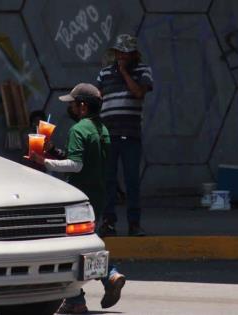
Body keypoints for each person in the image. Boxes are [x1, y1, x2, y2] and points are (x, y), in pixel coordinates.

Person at [27, 83, 125, 314]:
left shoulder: (79, 129)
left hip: (79, 198)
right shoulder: (100, 129)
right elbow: (83, 160)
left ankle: (78, 297)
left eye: (72, 103)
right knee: (85, 245)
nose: (69, 107)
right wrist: (54, 151)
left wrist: (44, 162)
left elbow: (76, 165)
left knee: (68, 247)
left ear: (82, 106)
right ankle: (105, 278)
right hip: (98, 194)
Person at [97, 34, 153, 237]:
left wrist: (124, 73)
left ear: (133, 54)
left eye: (125, 53)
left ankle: (134, 223)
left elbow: (138, 93)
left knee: (131, 180)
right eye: (118, 52)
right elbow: (99, 97)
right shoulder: (104, 74)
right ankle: (108, 222)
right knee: (108, 180)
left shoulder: (142, 71)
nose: (121, 56)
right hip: (108, 134)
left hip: (130, 135)